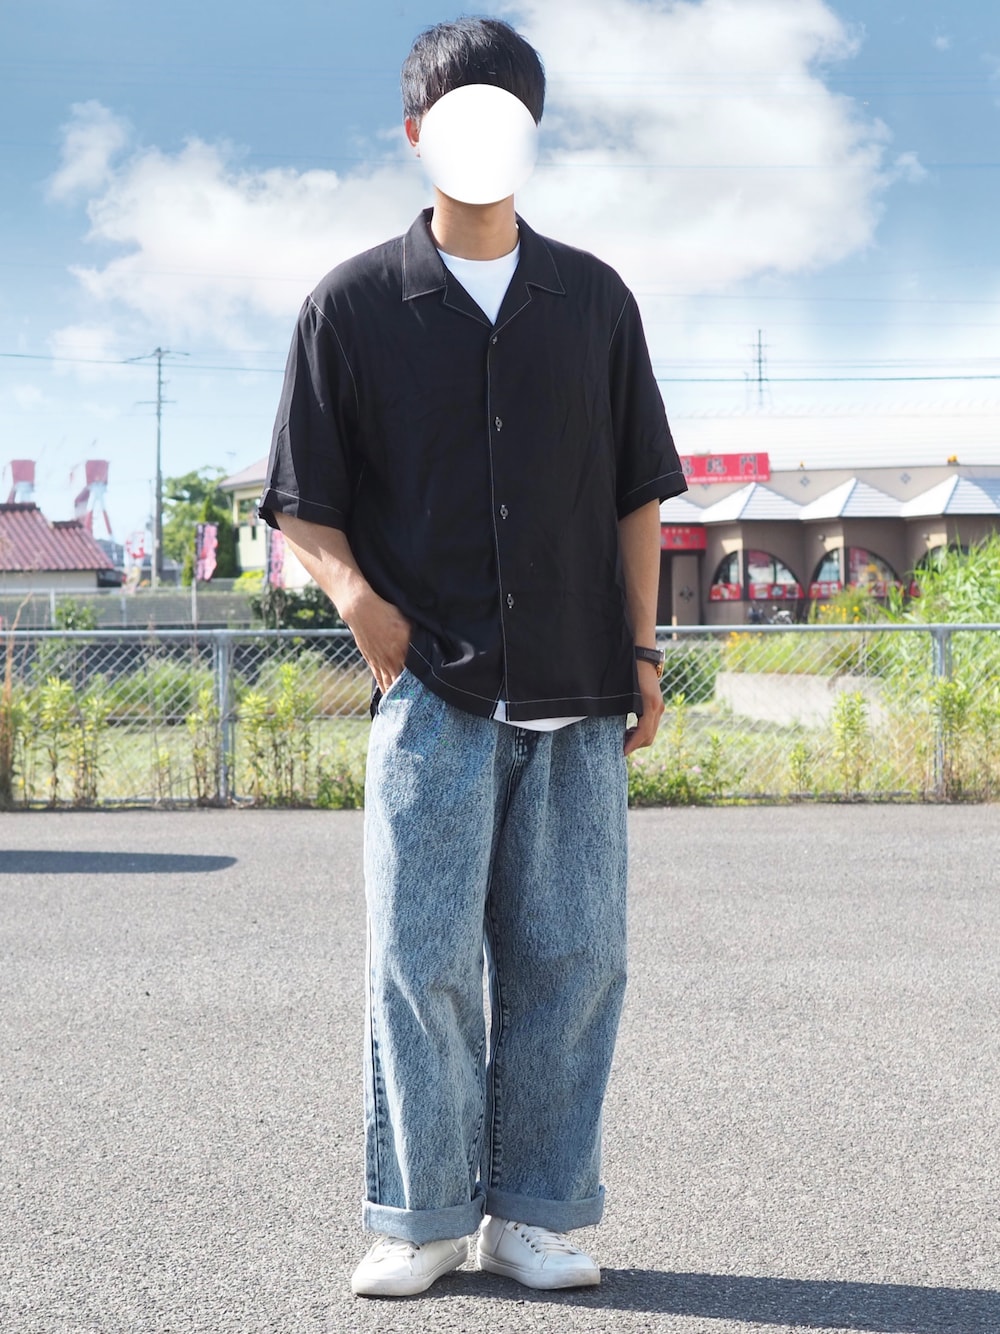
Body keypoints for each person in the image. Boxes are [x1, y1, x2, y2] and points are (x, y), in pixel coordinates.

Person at [258, 16, 687, 1299]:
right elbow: (300, 499)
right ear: (414, 135)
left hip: (578, 683)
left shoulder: (594, 301)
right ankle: (424, 1216)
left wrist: (644, 649)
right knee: (420, 962)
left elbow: (638, 492)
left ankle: (537, 1215)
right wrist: (357, 601)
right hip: (432, 687)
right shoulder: (349, 305)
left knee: (575, 961)